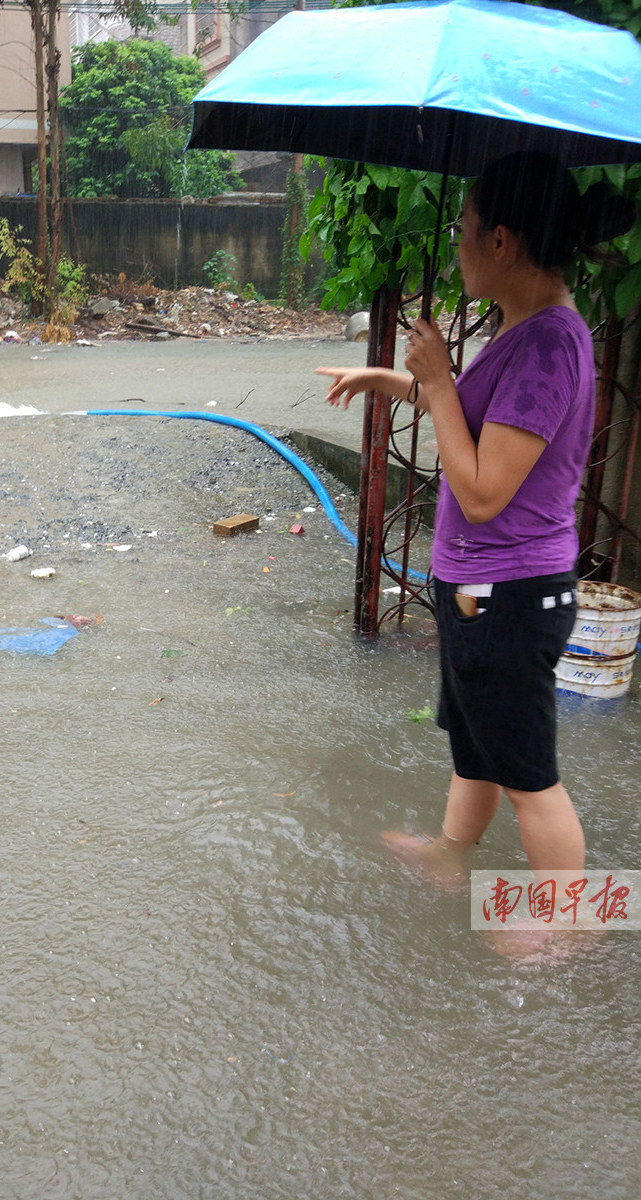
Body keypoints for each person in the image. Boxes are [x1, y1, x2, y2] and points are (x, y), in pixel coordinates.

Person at [316, 151, 635, 889]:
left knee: (528, 774)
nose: (457, 243)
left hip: (514, 592)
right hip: (479, 586)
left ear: (501, 241)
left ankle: (560, 922)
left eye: (464, 227)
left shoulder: (551, 344)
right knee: (475, 738)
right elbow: (475, 419)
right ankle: (451, 852)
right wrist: (398, 383)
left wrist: (434, 380)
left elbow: (486, 488)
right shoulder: (523, 330)